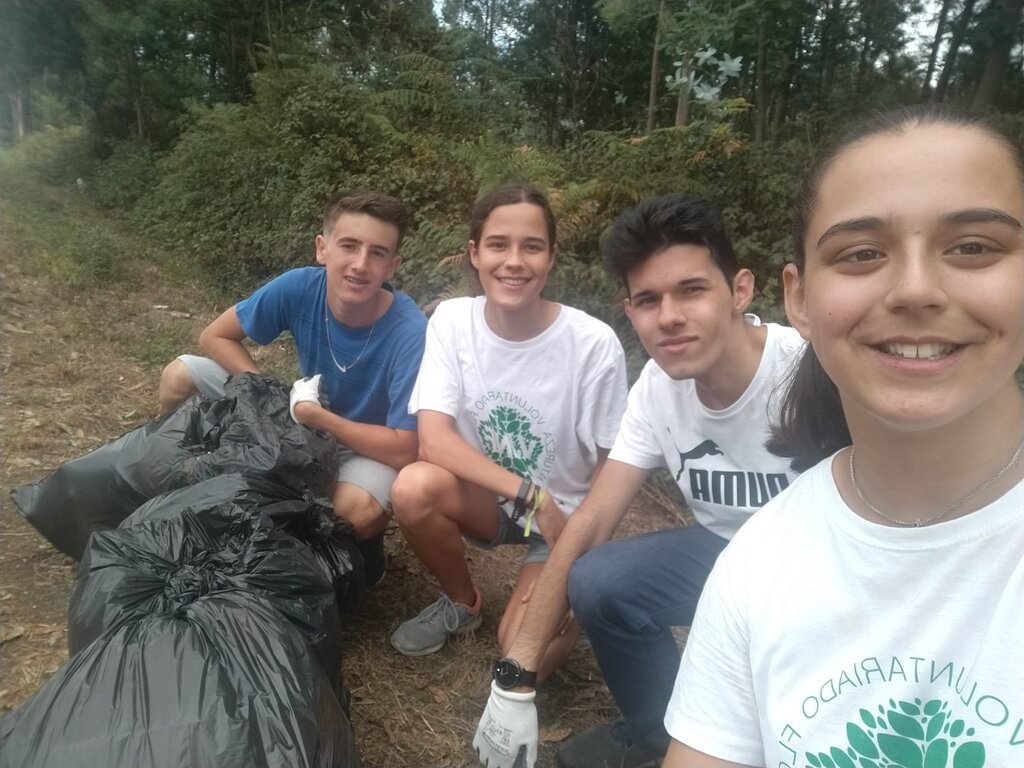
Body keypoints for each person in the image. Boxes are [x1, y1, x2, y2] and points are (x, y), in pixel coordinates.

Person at [662, 105, 1024, 767]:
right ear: (799, 298)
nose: (916, 290)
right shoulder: (757, 566)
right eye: (861, 254)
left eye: (973, 246)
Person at [474, 194, 806, 768]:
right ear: (630, 310)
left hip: (818, 566)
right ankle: (658, 734)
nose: (669, 316)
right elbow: (593, 520)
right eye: (648, 299)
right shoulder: (657, 387)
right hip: (727, 552)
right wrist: (516, 672)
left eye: (692, 290)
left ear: (741, 290)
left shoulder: (808, 371)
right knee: (601, 579)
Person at [388, 182, 629, 675]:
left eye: (532, 246)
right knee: (413, 487)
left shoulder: (593, 345)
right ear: (475, 254)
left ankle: (576, 601)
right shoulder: (453, 321)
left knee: (524, 656)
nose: (514, 261)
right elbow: (433, 439)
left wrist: (580, 565)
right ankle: (462, 603)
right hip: (493, 500)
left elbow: (613, 476)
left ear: (551, 257)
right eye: (498, 244)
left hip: (565, 521)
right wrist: (532, 497)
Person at [157, 191, 427, 584]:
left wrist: (323, 420)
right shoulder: (300, 287)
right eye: (349, 246)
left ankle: (363, 548)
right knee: (180, 374)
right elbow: (216, 337)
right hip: (299, 415)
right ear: (323, 248)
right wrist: (270, 398)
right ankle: (177, 478)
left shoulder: (410, 331)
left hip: (367, 446)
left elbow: (405, 446)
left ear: (392, 267)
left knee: (353, 513)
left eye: (377, 253)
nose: (360, 264)